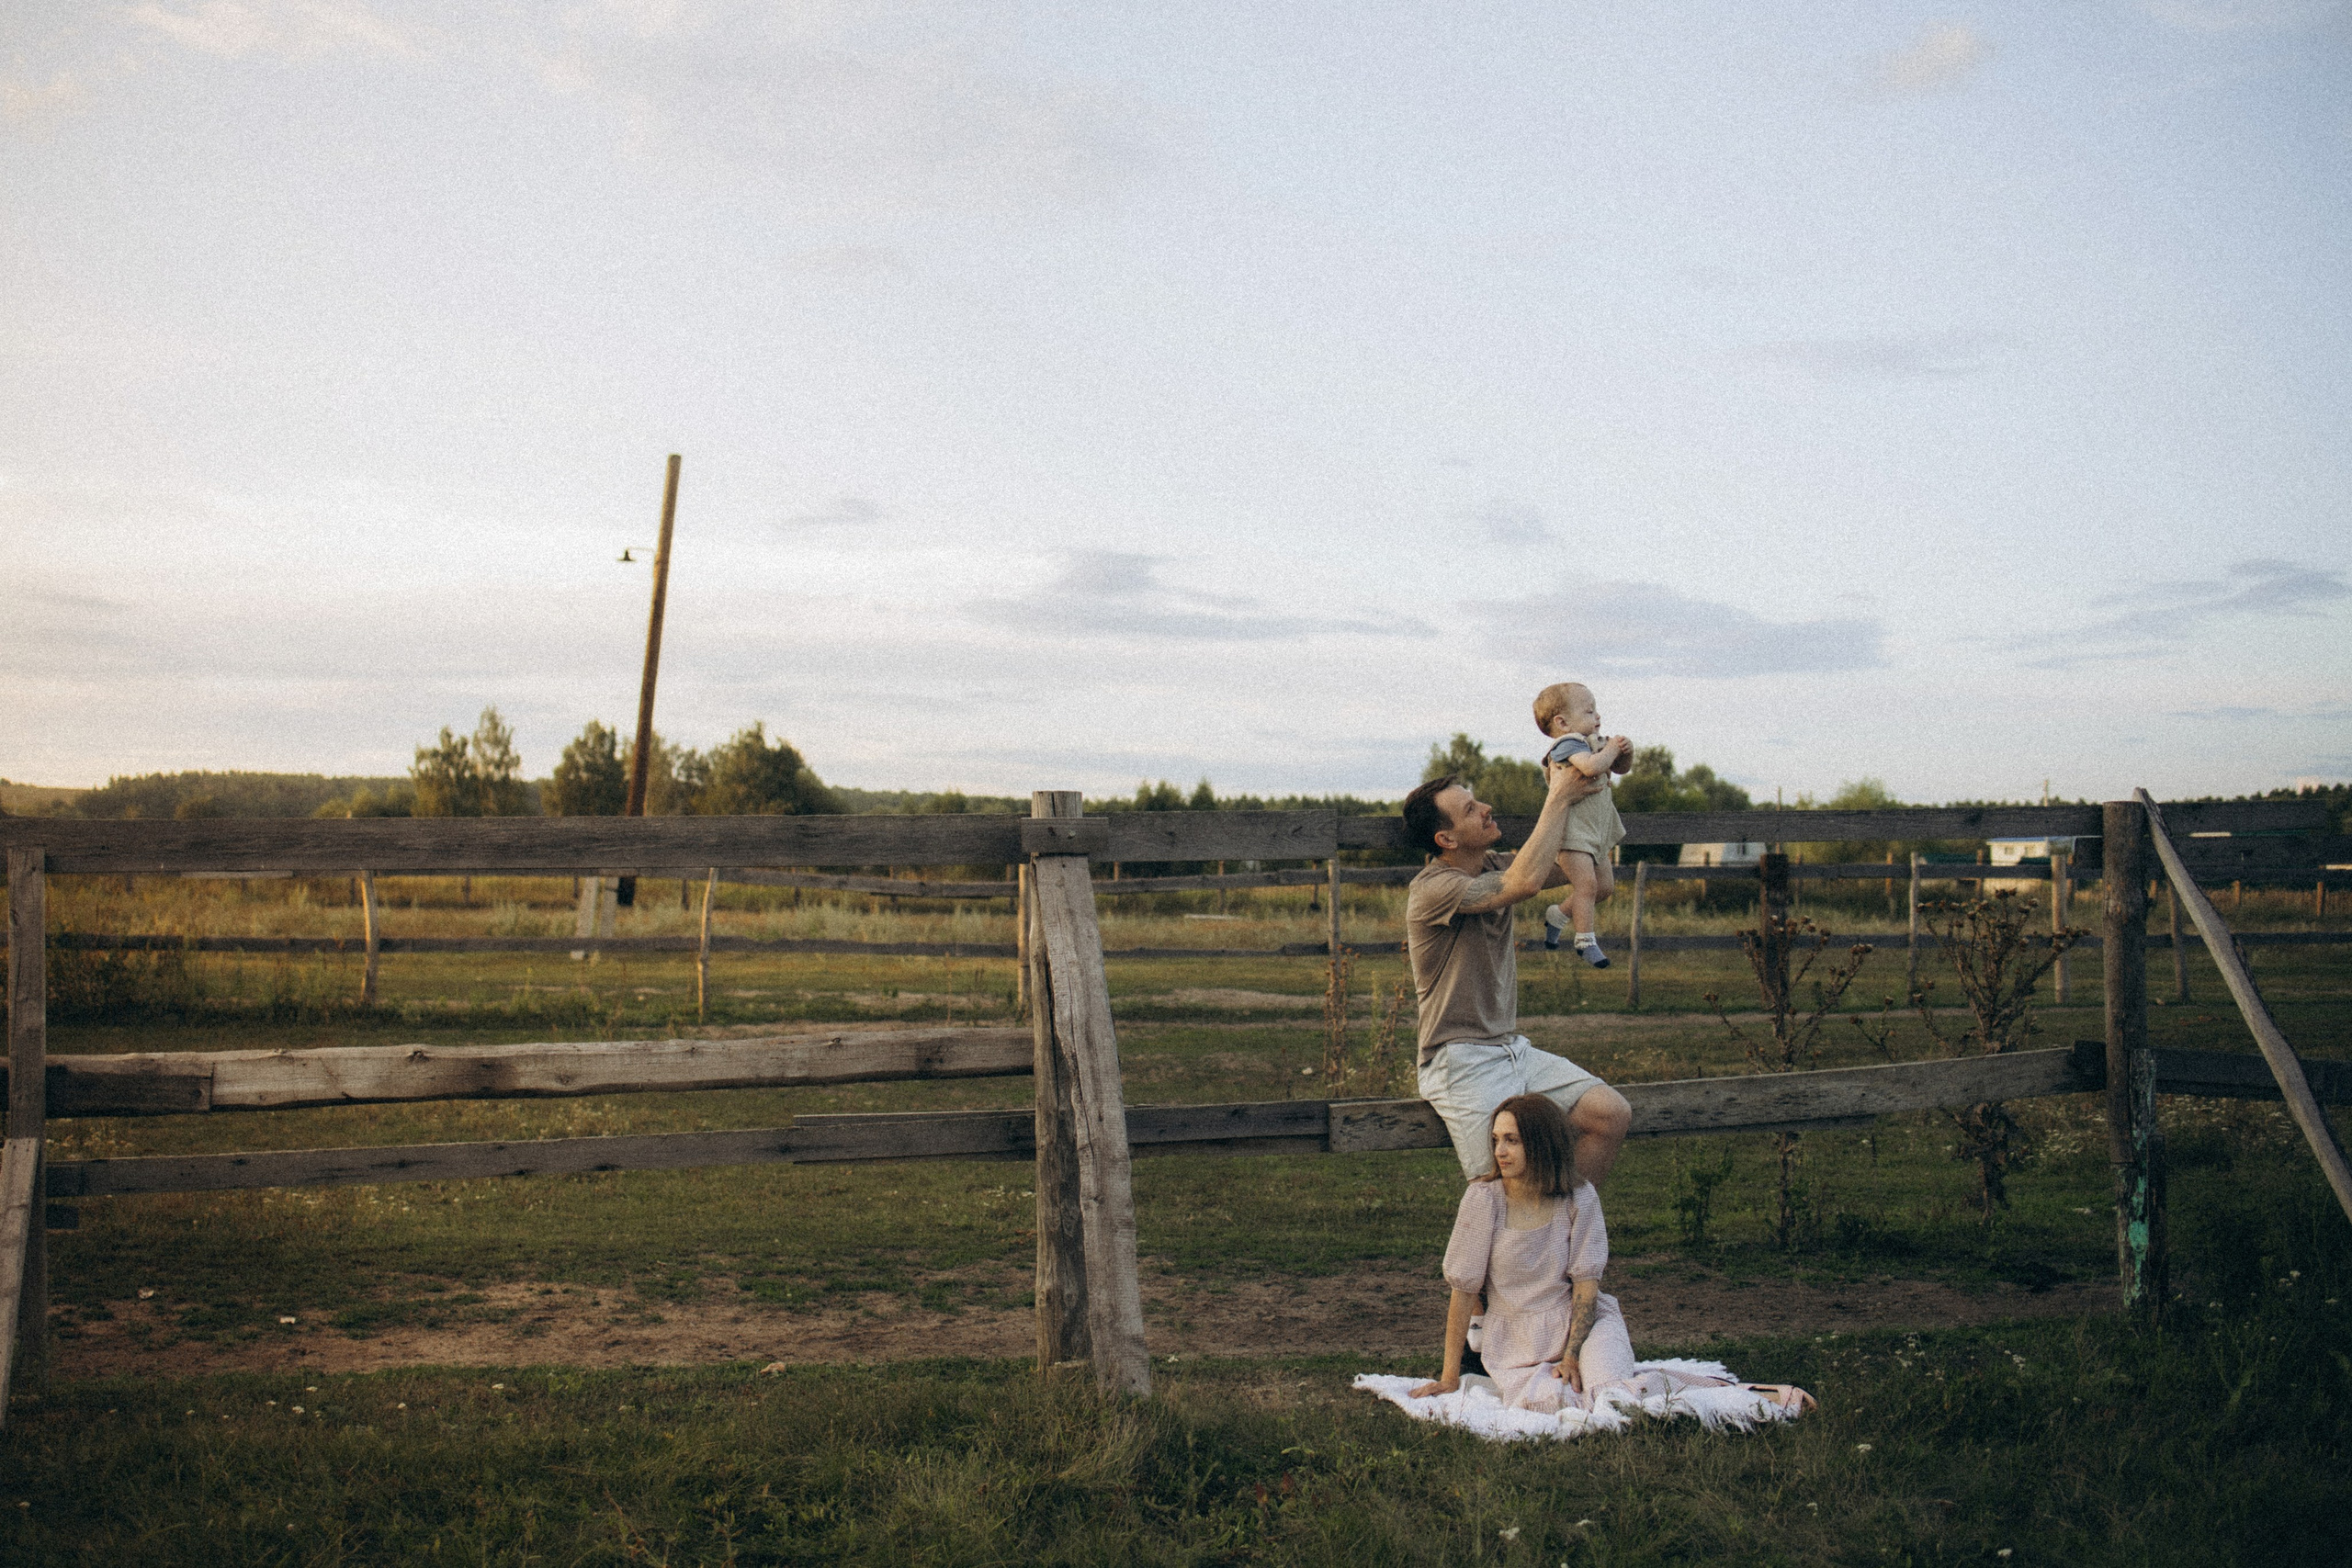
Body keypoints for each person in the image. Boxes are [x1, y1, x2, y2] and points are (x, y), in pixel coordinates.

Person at [1408, 1097, 1813, 1418]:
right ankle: (1679, 1388)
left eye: (1512, 1140)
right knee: (1552, 1406)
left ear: (1541, 1142)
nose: (1500, 1150)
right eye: (1496, 1139)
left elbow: (1586, 1286)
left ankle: (1749, 1398)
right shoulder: (1484, 1201)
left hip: (1586, 1326)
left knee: (1613, 1396)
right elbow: (1462, 1291)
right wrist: (1448, 1378)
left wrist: (1572, 1355)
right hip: (1515, 1339)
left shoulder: (1579, 1198)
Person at [1400, 763, 1633, 1189]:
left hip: (1510, 1050)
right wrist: (1559, 796)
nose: (1487, 809)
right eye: (1471, 809)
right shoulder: (1433, 889)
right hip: (1460, 1062)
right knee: (1497, 1190)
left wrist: (1595, 787)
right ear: (1446, 839)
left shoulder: (1493, 865)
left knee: (1609, 1115)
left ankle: (1564, 1227)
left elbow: (1596, 877)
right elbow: (1523, 883)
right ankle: (1499, 1252)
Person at [1531, 681, 1631, 965]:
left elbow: (1620, 768)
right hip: (1570, 831)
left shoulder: (1595, 744)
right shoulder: (1566, 745)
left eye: (1596, 710)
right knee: (1586, 885)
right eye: (1589, 711)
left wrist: (1626, 750)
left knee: (1605, 887)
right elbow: (1591, 766)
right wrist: (1611, 750)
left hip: (1595, 831)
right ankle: (1586, 941)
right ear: (1562, 722)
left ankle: (1559, 914)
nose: (1597, 717)